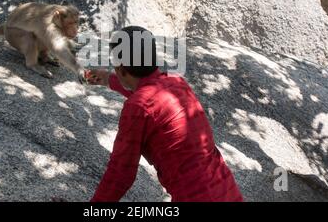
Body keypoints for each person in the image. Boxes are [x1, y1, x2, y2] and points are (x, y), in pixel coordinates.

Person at [86, 26, 243, 202]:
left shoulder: (137, 107)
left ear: (121, 68)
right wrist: (108, 79)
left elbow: (120, 174)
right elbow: (150, 96)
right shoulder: (177, 83)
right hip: (228, 192)